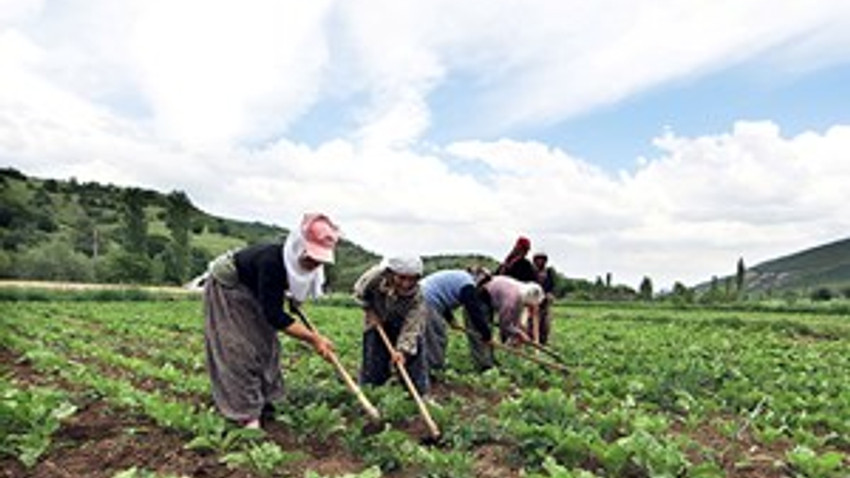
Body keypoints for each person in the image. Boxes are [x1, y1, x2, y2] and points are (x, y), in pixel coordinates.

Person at [202, 213, 339, 429]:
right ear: (299, 247)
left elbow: (295, 287)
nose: (314, 263)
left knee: (266, 345)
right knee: (238, 348)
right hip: (229, 286)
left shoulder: (310, 265)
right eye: (310, 257)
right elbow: (274, 315)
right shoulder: (272, 262)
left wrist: (295, 301)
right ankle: (245, 413)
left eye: (319, 259)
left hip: (255, 287)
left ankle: (266, 401)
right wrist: (314, 338)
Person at [355, 255, 430, 396]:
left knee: (415, 355)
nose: (406, 284)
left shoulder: (418, 298)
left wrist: (402, 351)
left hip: (402, 321)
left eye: (412, 279)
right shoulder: (374, 278)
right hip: (376, 317)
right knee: (373, 355)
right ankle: (371, 391)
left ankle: (418, 394)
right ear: (391, 274)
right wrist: (370, 311)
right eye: (402, 278)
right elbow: (359, 294)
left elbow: (412, 327)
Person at [421, 268, 494, 373]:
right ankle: (433, 369)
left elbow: (442, 295)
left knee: (426, 337)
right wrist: (486, 334)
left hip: (424, 296)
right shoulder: (468, 285)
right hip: (426, 300)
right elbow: (474, 312)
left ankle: (425, 367)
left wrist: (451, 320)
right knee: (437, 336)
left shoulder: (461, 278)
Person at [481, 274, 544, 345]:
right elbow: (504, 325)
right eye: (529, 305)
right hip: (483, 295)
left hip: (493, 290)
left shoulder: (520, 292)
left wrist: (519, 330)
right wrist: (519, 334)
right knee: (482, 331)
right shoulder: (511, 301)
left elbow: (515, 317)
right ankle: (482, 353)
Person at [532, 251, 556, 345]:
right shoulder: (532, 271)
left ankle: (543, 340)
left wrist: (550, 294)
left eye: (542, 260)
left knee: (545, 321)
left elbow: (551, 285)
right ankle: (533, 339)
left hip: (545, 299)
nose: (540, 262)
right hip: (533, 298)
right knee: (533, 320)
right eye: (538, 259)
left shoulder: (548, 272)